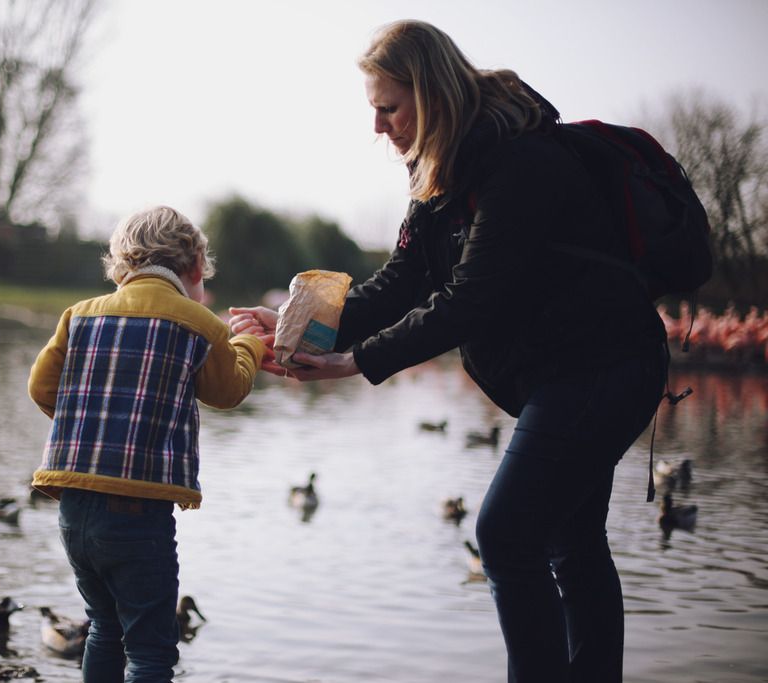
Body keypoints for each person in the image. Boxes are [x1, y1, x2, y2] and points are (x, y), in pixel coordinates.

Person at [229, 20, 668, 683]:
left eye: (389, 107)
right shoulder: (439, 172)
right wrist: (299, 322)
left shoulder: (520, 163)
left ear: (430, 93)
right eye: (373, 109)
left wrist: (357, 362)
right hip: (563, 374)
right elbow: (399, 284)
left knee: (506, 535)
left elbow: (469, 299)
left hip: (606, 366)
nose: (378, 126)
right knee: (569, 543)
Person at [29, 205, 266, 683]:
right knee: (151, 649)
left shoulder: (80, 316)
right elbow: (229, 390)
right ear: (195, 267)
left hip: (74, 509)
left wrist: (91, 422)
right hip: (138, 516)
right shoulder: (198, 323)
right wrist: (252, 346)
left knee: (103, 627)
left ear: (121, 265)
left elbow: (40, 387)